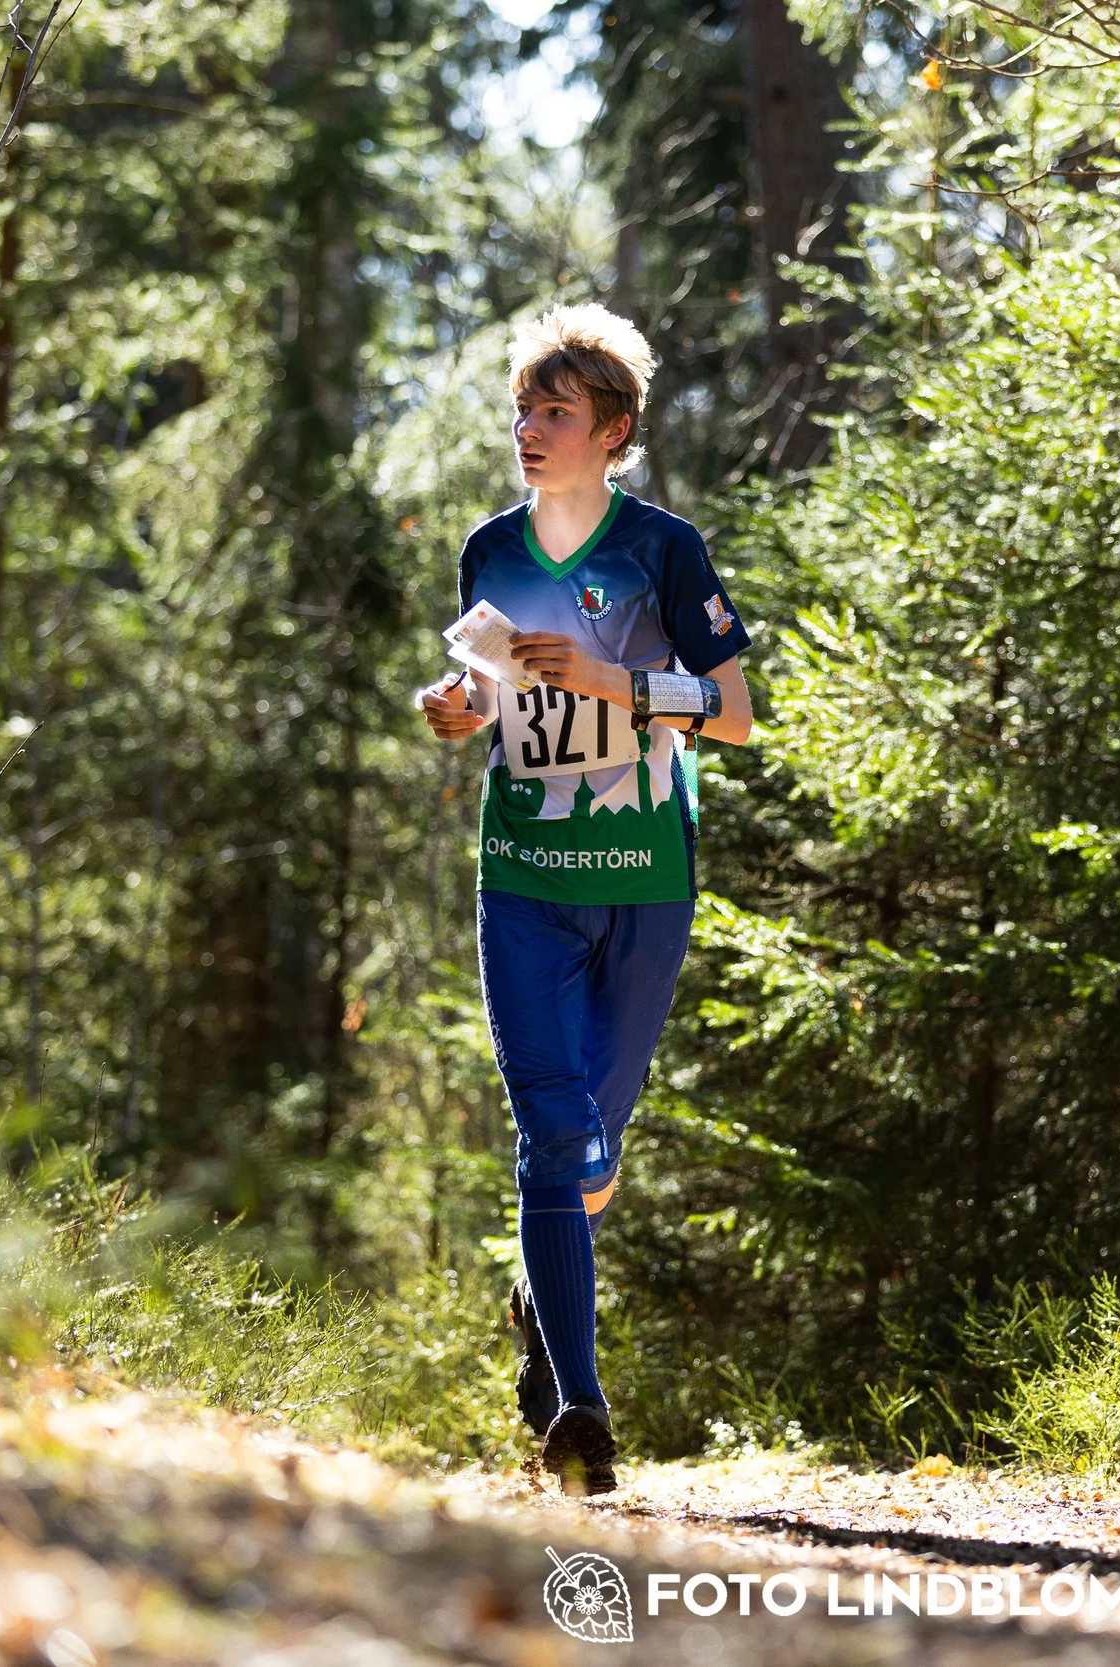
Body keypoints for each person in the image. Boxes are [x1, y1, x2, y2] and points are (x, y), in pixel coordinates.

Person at [419, 303, 754, 1496]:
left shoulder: (662, 546)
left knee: (593, 1152)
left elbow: (737, 713)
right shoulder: (490, 546)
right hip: (523, 870)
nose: (527, 428)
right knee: (551, 1131)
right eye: (521, 409)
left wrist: (616, 679)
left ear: (611, 431)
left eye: (553, 412)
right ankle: (575, 1405)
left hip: (647, 874)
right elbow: (478, 682)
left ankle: (537, 1290)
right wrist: (455, 708)